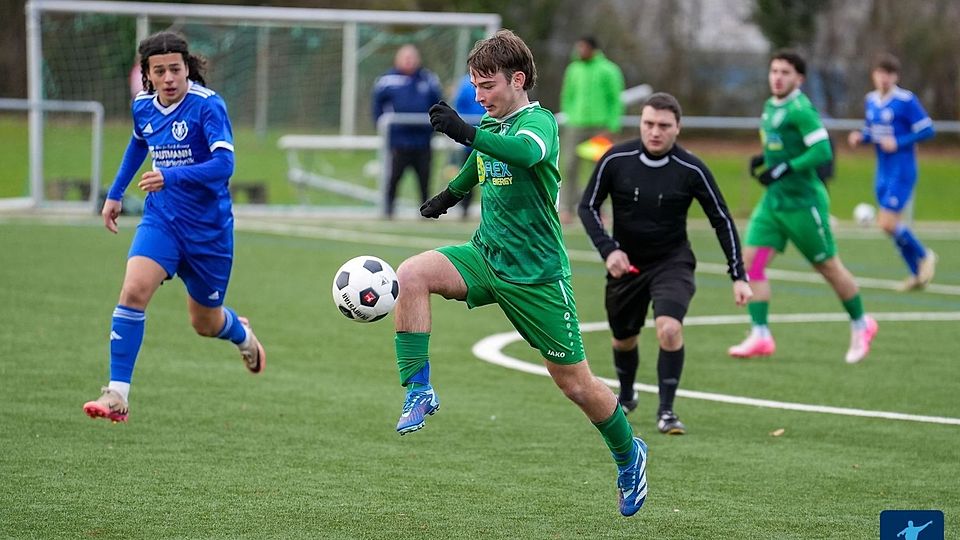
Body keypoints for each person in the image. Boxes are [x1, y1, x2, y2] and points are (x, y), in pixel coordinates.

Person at [395, 29, 647, 517]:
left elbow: (524, 154)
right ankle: (419, 389)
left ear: (518, 79)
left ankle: (628, 453)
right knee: (411, 275)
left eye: (487, 85)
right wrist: (450, 195)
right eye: (474, 86)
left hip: (537, 278)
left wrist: (466, 130)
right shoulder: (497, 128)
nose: (478, 96)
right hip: (486, 256)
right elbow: (483, 160)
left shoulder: (539, 123)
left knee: (575, 383)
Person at [82, 31, 266, 423]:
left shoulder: (207, 106)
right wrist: (114, 194)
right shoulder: (143, 106)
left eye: (176, 69)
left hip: (209, 232)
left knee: (205, 322)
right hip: (162, 220)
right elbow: (137, 143)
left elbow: (224, 167)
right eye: (160, 71)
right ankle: (117, 393)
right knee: (132, 291)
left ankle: (242, 335)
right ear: (147, 75)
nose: (169, 78)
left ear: (187, 69)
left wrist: (171, 176)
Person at [579, 92, 752, 435]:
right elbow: (587, 207)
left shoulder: (691, 168)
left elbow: (721, 218)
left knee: (669, 329)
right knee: (622, 339)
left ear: (677, 128)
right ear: (640, 123)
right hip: (625, 264)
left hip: (672, 262)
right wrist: (609, 250)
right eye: (648, 124)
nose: (655, 132)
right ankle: (627, 394)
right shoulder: (616, 158)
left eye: (663, 126)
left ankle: (667, 411)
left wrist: (739, 274)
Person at [728, 49, 877, 364]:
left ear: (799, 79)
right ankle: (761, 334)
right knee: (751, 263)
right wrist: (766, 159)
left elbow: (822, 150)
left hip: (803, 205)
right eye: (774, 71)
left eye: (785, 72)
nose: (778, 77)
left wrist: (785, 168)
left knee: (828, 267)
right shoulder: (771, 106)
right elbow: (780, 145)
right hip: (773, 204)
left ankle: (862, 323)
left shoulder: (801, 110)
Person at [847, 53, 937, 292]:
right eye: (880, 73)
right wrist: (861, 137)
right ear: (874, 75)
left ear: (895, 76)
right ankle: (916, 274)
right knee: (890, 226)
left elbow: (928, 130)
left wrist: (900, 141)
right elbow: (873, 131)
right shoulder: (871, 100)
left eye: (889, 74)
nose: (884, 78)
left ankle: (925, 255)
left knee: (886, 223)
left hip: (902, 168)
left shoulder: (906, 100)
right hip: (883, 170)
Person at [372, 44, 443, 218]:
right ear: (397, 59)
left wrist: (433, 128)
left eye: (412, 57)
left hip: (422, 141)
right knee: (393, 178)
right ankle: (388, 210)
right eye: (405, 57)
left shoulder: (428, 79)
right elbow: (376, 107)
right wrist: (384, 127)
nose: (409, 61)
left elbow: (438, 104)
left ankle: (426, 213)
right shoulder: (387, 80)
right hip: (398, 141)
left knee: (424, 180)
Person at [559, 36, 625, 222]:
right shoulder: (573, 69)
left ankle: (598, 208)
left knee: (599, 167)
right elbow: (567, 95)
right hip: (575, 125)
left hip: (599, 127)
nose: (579, 51)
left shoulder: (608, 70)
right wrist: (570, 116)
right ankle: (567, 209)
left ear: (592, 49)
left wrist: (612, 126)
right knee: (570, 165)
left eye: (583, 47)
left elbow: (615, 100)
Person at [448, 72, 487, 217]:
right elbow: (460, 105)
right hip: (471, 140)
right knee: (468, 173)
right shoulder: (465, 84)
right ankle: (464, 208)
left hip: (491, 138)